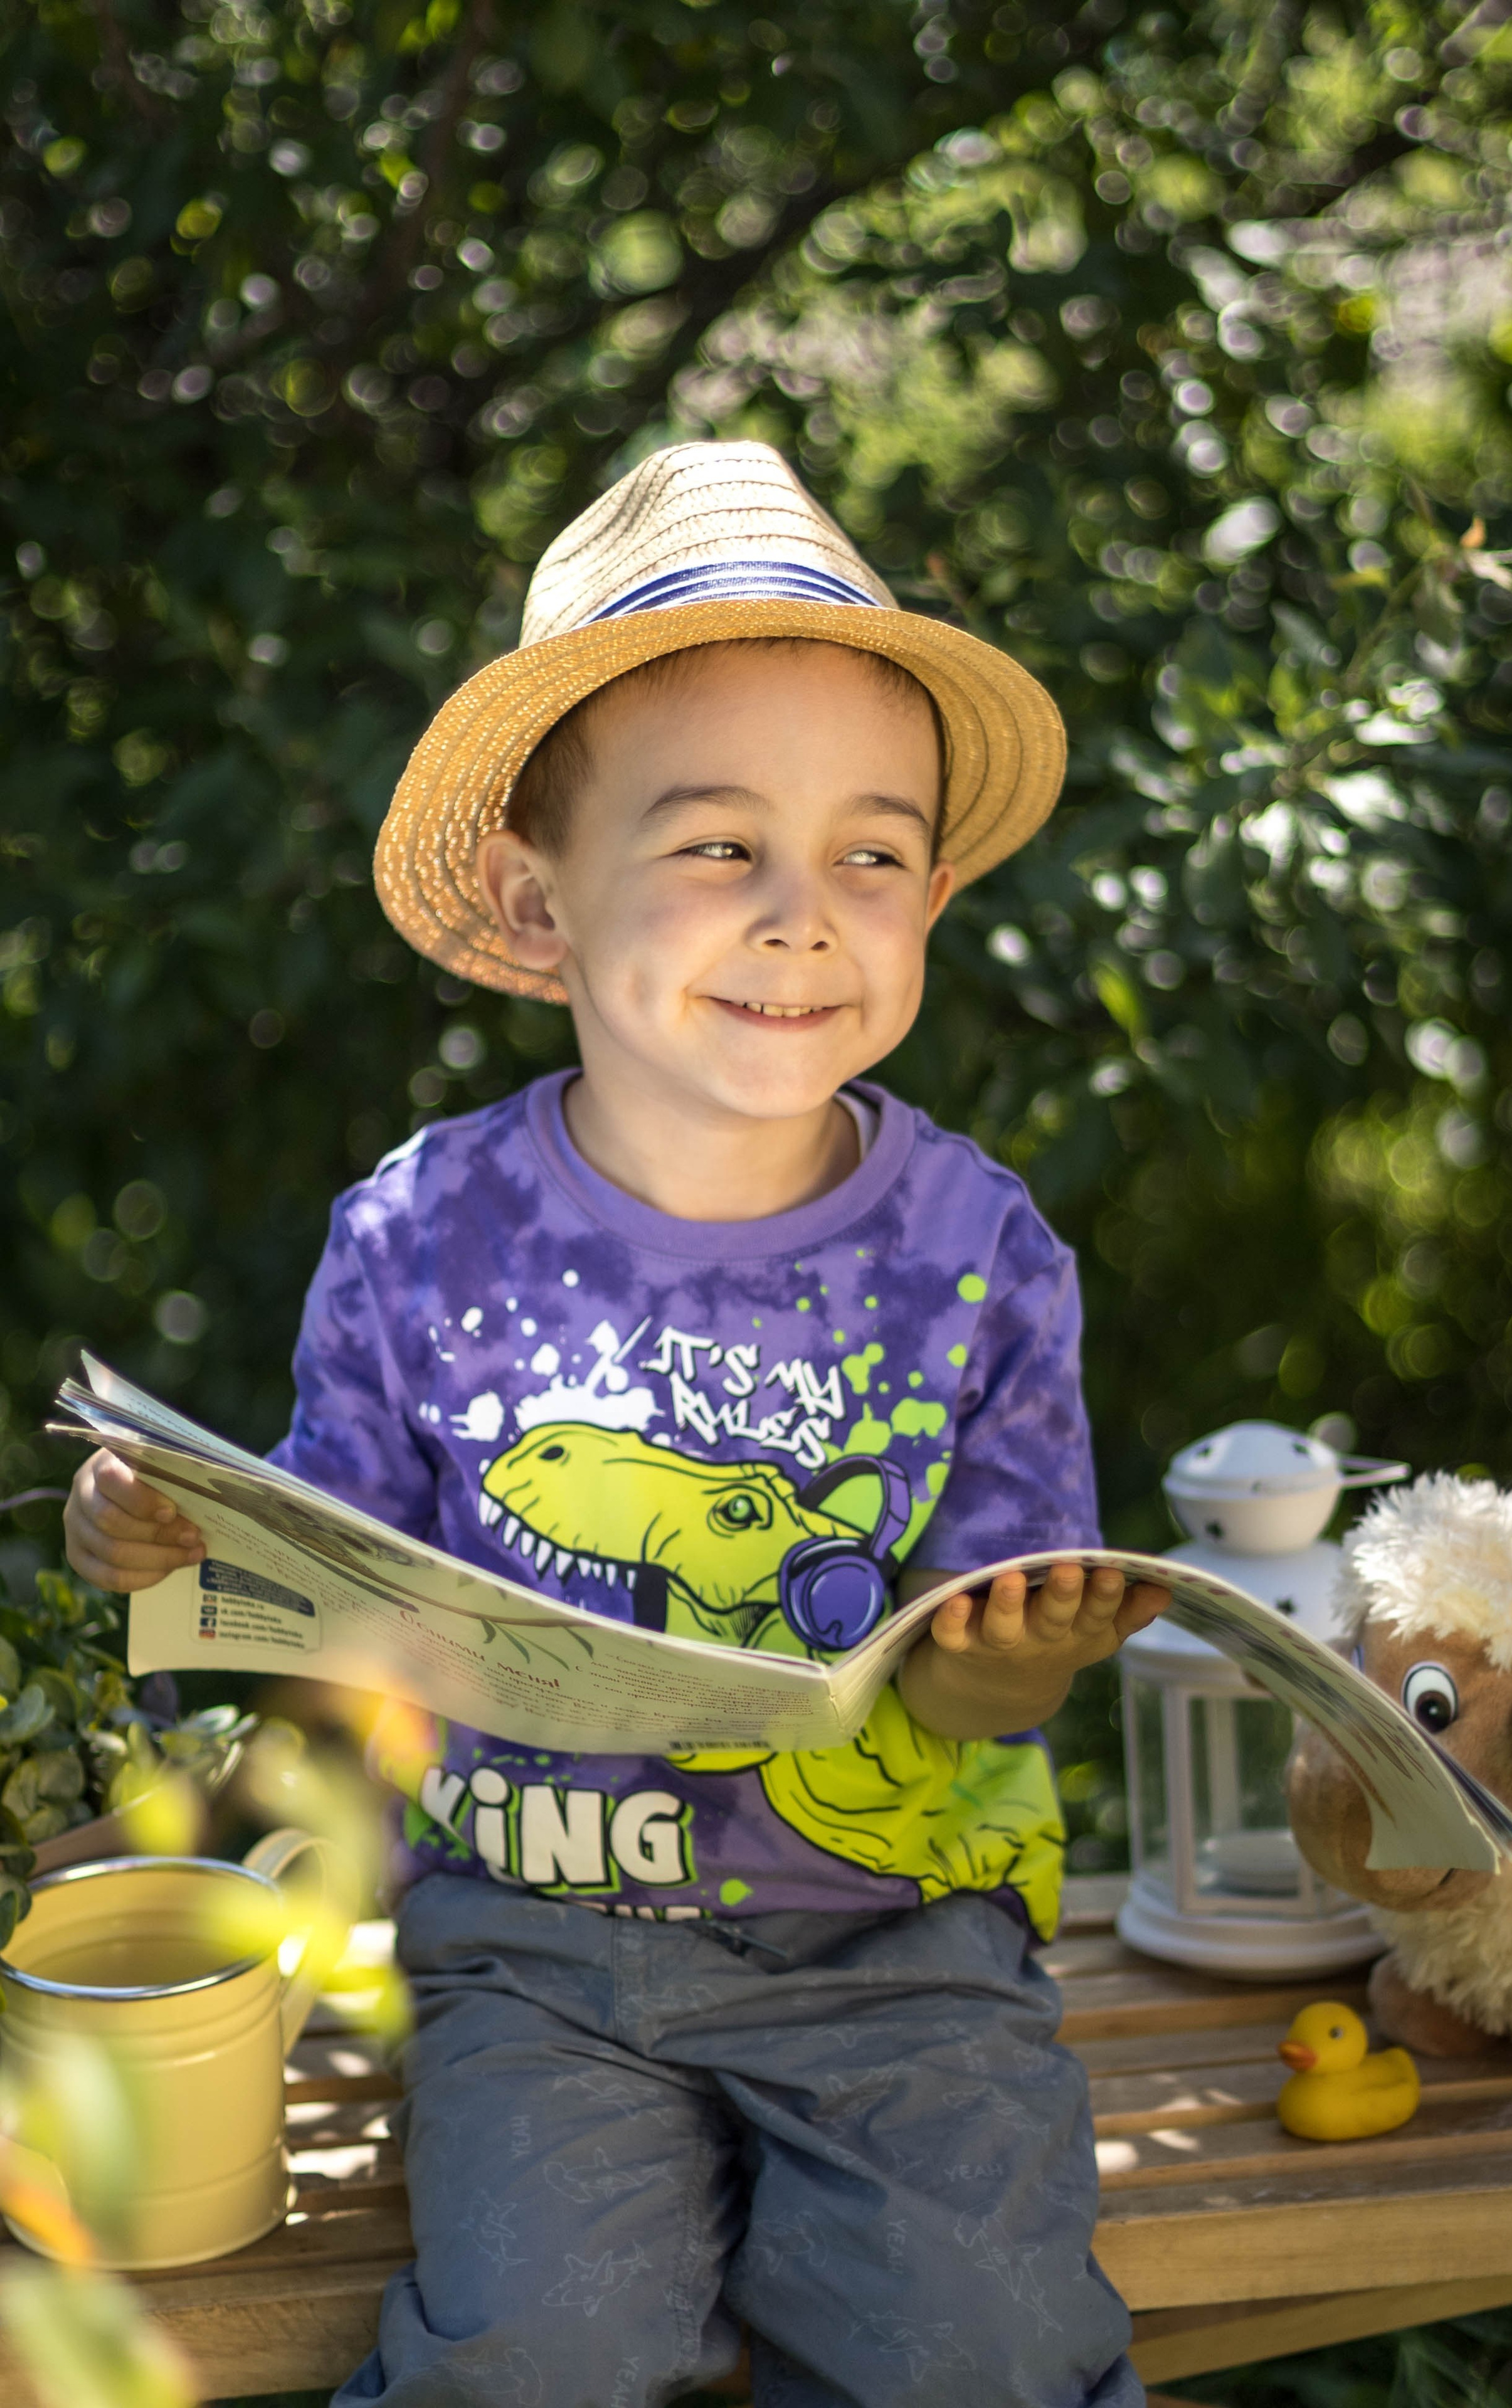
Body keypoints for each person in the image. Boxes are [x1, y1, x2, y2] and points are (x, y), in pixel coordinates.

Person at [66, 440, 1168, 2407]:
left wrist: (1030, 1656)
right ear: (534, 894)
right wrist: (172, 1553)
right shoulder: (416, 1235)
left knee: (984, 2345)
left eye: (872, 852)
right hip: (536, 1948)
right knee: (544, 2344)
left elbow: (994, 1694)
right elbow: (332, 1649)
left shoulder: (980, 1249)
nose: (805, 914)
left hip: (905, 1950)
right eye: (722, 843)